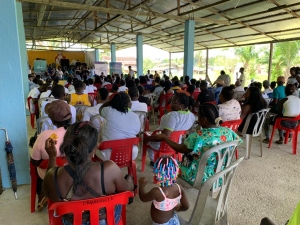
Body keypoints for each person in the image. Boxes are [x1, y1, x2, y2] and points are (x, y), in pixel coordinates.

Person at [43, 122, 135, 225]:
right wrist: (130, 180)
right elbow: (127, 191)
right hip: (106, 221)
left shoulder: (53, 176)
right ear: (95, 148)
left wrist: (52, 157)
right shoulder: (110, 169)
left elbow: (49, 194)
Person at [149, 103, 242, 185]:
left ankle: (169, 195)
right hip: (220, 174)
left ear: (204, 119)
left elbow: (179, 149)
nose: (197, 119)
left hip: (199, 177)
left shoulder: (198, 136)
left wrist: (164, 137)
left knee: (167, 164)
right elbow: (237, 143)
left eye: (199, 117)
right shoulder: (228, 132)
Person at [31, 100, 72, 210]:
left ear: (53, 122)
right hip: (73, 173)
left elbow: (34, 161)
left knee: (36, 168)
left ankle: (42, 195)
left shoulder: (44, 136)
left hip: (50, 174)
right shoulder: (80, 133)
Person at [145, 93, 195, 165]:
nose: (170, 104)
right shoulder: (191, 115)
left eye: (173, 102)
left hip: (164, 144)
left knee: (148, 142)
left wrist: (148, 138)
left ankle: (154, 161)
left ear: (182, 106)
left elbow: (165, 135)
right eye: (171, 101)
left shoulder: (173, 115)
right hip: (177, 144)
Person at [139, 156, 189, 225]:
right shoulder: (179, 188)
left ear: (157, 174)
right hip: (174, 221)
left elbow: (143, 198)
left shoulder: (157, 192)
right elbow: (186, 206)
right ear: (176, 172)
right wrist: (179, 208)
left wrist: (141, 185)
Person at [99, 92, 141, 160]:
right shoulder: (135, 116)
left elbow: (101, 109)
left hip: (109, 154)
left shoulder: (109, 110)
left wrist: (111, 102)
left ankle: (106, 169)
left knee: (96, 150)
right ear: (128, 104)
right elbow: (137, 132)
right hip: (130, 153)